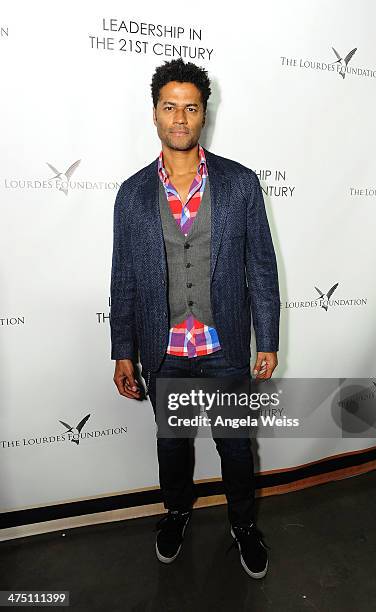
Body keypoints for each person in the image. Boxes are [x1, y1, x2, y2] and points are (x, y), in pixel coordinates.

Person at [110, 58, 280, 579]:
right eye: (169, 107)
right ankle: (177, 512)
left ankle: (243, 524)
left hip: (224, 345)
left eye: (190, 107)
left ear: (204, 114)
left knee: (235, 446)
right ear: (155, 114)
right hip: (165, 353)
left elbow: (261, 267)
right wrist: (123, 350)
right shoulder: (132, 194)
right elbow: (124, 278)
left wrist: (266, 338)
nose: (179, 117)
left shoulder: (240, 183)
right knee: (173, 448)